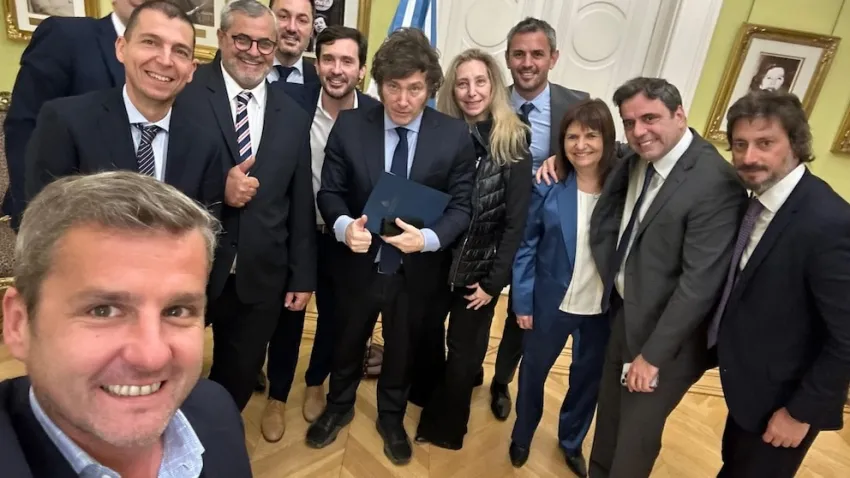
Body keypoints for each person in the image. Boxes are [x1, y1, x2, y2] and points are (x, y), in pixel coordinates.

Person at [536, 77, 746, 477]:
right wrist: (560, 159)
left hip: (664, 341)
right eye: (630, 122)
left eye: (650, 118)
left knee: (635, 439)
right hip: (622, 317)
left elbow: (699, 284)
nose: (639, 131)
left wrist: (652, 357)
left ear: (680, 115)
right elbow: (599, 151)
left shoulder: (715, 183)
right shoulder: (638, 158)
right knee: (610, 425)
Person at [0, 171, 252, 477]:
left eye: (176, 311)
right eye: (103, 311)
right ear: (19, 324)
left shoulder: (216, 409)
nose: (151, 357)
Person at [309, 27, 476, 465]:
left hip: (416, 272)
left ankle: (390, 418)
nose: (403, 100)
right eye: (393, 87)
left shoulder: (453, 136)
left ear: (431, 87)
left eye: (414, 89)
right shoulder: (350, 126)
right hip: (357, 265)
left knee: (402, 349)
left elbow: (462, 205)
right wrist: (344, 226)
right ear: (378, 83)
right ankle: (338, 406)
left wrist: (429, 238)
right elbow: (330, 192)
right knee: (346, 341)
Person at [180, 0, 316, 412]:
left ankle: (217, 432)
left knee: (237, 379)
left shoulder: (293, 114)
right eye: (243, 39)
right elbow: (159, 179)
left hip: (261, 274)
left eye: (264, 44)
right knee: (172, 368)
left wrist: (302, 275)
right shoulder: (184, 93)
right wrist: (218, 190)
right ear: (222, 38)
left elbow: (300, 200)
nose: (254, 52)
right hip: (191, 266)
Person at [711, 90, 850, 477]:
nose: (748, 157)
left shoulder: (828, 222)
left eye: (765, 143)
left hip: (787, 403)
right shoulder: (758, 202)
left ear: (796, 144)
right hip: (752, 391)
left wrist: (800, 413)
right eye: (740, 144)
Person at [260, 25, 379, 443]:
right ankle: (277, 395)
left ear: (361, 70)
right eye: (328, 59)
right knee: (288, 315)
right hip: (296, 232)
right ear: (316, 64)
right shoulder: (289, 102)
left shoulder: (375, 115)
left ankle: (315, 381)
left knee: (335, 317)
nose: (336, 69)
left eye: (347, 60)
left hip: (347, 238)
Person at [413, 48, 532, 450]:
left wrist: (494, 282)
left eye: (480, 81)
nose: (471, 91)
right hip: (435, 262)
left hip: (479, 272)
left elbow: (515, 222)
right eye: (462, 83)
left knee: (464, 351)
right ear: (452, 89)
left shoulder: (514, 140)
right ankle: (426, 396)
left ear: (493, 85)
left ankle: (447, 429)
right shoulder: (440, 134)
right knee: (427, 334)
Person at [23, 0, 223, 219]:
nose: (165, 60)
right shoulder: (66, 123)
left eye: (180, 51)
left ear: (191, 70)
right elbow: (45, 222)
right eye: (150, 42)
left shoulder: (205, 143)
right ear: (121, 48)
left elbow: (204, 228)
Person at [486, 17, 590, 421]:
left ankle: (501, 380)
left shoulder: (576, 104)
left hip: (543, 231)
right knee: (477, 301)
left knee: (523, 312)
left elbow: (597, 153)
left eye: (537, 54)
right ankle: (469, 365)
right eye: (518, 54)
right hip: (492, 223)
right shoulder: (489, 99)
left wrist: (565, 159)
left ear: (553, 58)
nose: (527, 63)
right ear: (507, 58)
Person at [508, 99, 618, 477]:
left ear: (607, 140)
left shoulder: (623, 187)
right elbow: (526, 247)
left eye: (591, 135)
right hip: (549, 304)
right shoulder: (548, 184)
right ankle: (522, 435)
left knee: (587, 382)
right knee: (533, 374)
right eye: (572, 137)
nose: (581, 145)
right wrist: (523, 302)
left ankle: (571, 441)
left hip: (600, 309)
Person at [3, 0, 142, 230]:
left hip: (138, 220)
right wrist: (32, 217)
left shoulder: (168, 62)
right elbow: (24, 124)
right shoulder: (66, 35)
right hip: (64, 216)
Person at [267, 0, 320, 86]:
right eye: (283, 16)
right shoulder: (248, 70)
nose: (292, 28)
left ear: (312, 30)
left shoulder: (320, 82)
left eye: (302, 20)